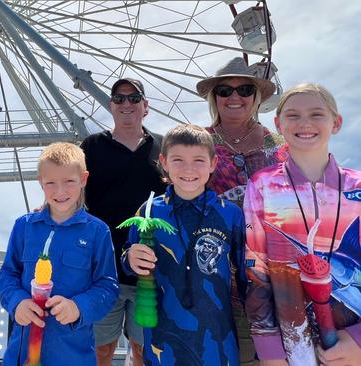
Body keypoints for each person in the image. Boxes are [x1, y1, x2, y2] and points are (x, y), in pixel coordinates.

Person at [244, 83, 361, 366]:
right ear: (278, 124)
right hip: (291, 346)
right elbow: (256, 271)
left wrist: (358, 339)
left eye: (317, 114)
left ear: (336, 123)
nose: (304, 123)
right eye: (293, 115)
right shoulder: (262, 185)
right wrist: (270, 351)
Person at [123, 124, 247, 365]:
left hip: (218, 338)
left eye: (199, 160)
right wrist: (130, 259)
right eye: (178, 160)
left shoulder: (230, 215)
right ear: (164, 162)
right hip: (162, 338)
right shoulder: (148, 212)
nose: (189, 169)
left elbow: (246, 276)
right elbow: (129, 261)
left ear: (213, 163)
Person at [197, 56, 289, 365]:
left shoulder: (279, 145)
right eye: (224, 90)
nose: (234, 97)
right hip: (217, 272)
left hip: (274, 271)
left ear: (257, 97)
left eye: (245, 89)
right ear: (214, 97)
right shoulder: (199, 144)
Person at [0, 142, 119, 365]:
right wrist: (18, 302)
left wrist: (78, 307)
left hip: (73, 354)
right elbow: (8, 275)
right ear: (41, 183)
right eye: (51, 183)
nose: (60, 191)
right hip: (22, 352)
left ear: (83, 179)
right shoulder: (23, 227)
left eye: (69, 182)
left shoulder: (97, 231)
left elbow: (108, 286)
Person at [81, 78, 167, 366]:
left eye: (134, 98)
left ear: (146, 106)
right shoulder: (92, 146)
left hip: (151, 271)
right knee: (99, 349)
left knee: (145, 350)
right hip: (102, 270)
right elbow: (74, 191)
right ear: (110, 106)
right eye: (119, 98)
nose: (126, 104)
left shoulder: (164, 147)